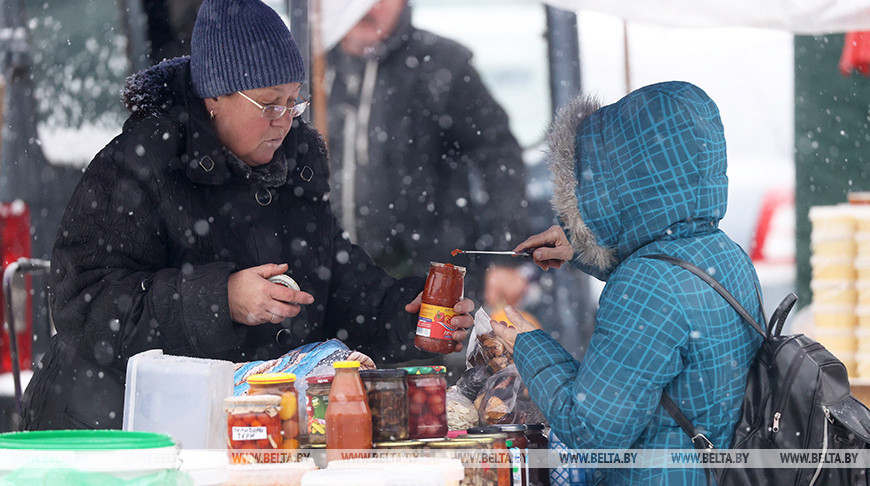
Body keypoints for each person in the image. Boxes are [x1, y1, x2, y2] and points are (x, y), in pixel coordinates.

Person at [20, 0, 473, 431]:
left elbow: (335, 285)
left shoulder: (295, 169)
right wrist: (222, 300)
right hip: (114, 429)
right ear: (214, 96)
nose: (284, 120)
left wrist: (407, 317)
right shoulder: (138, 164)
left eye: (294, 102)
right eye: (269, 103)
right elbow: (86, 302)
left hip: (231, 431)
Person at [492, 81, 764, 484]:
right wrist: (583, 251)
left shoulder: (646, 286)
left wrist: (527, 345)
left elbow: (589, 432)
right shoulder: (722, 252)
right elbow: (673, 295)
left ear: (616, 181)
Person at [325, 0, 530, 309]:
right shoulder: (302, 64)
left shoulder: (443, 65)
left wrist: (505, 256)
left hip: (431, 280)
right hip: (331, 279)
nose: (369, 7)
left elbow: (500, 158)